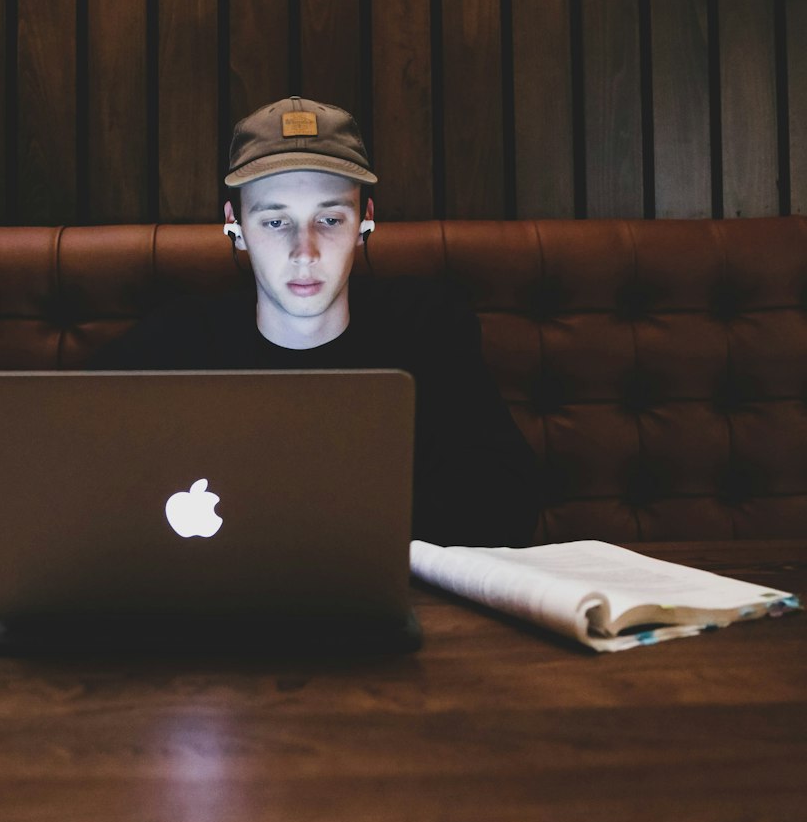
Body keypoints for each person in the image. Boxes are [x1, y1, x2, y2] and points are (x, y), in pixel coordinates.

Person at [89, 96, 541, 546]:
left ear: (364, 222)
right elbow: (75, 480)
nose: (304, 252)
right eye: (274, 221)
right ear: (236, 227)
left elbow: (507, 506)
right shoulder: (175, 341)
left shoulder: (427, 328)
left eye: (328, 218)